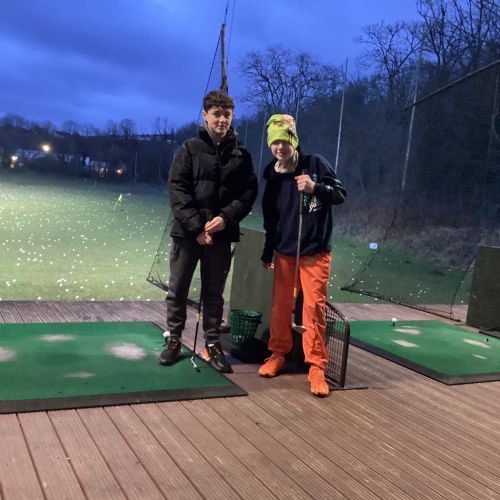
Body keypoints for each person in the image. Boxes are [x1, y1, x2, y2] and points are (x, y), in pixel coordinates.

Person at [159, 90, 258, 373]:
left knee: (214, 294)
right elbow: (178, 190)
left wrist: (225, 218)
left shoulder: (242, 155)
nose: (222, 120)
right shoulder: (189, 149)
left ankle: (213, 344)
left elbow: (248, 193)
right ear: (205, 115)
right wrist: (196, 229)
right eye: (217, 114)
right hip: (187, 234)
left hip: (221, 236)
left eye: (227, 115)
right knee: (178, 289)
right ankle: (174, 339)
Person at [259, 114, 346, 396]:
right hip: (285, 251)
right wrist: (268, 250)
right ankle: (277, 354)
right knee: (280, 307)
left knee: (313, 308)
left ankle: (316, 366)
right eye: (275, 142)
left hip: (314, 250)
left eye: (285, 141)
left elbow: (340, 193)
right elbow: (270, 219)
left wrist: (315, 188)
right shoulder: (271, 174)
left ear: (294, 141)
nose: (280, 147)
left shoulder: (315, 164)